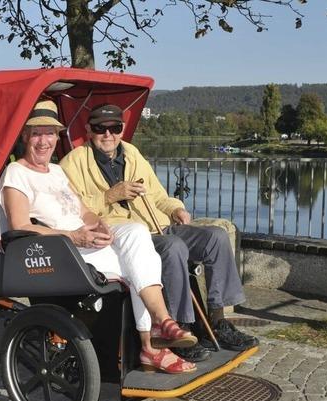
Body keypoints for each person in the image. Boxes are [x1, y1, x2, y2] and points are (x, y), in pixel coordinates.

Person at [0, 100, 198, 374]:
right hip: (59, 249)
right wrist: (73, 236)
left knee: (138, 236)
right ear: (24, 136)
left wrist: (101, 226)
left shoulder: (57, 172)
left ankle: (160, 324)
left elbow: (84, 212)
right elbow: (19, 225)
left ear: (57, 137)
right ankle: (153, 342)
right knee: (139, 262)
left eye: (49, 133)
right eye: (36, 133)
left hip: (84, 239)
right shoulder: (17, 173)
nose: (43, 141)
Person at [60, 104, 259, 353]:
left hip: (157, 224)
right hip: (124, 234)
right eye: (101, 128)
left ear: (122, 130)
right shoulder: (73, 163)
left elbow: (158, 195)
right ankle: (177, 329)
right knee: (173, 247)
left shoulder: (132, 154)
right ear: (89, 130)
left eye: (115, 128)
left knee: (216, 237)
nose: (108, 134)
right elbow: (70, 210)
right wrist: (109, 196)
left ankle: (218, 322)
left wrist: (175, 209)